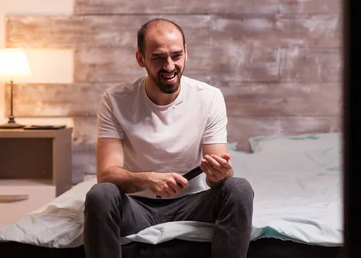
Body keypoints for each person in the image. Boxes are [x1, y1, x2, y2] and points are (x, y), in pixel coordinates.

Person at [83, 18, 254, 258]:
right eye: (158, 58)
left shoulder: (209, 97)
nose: (170, 66)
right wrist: (147, 180)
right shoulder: (115, 100)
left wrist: (220, 175)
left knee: (239, 187)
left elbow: (217, 179)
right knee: (100, 195)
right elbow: (107, 174)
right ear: (140, 59)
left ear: (186, 53)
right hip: (135, 207)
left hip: (192, 204)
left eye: (176, 55)